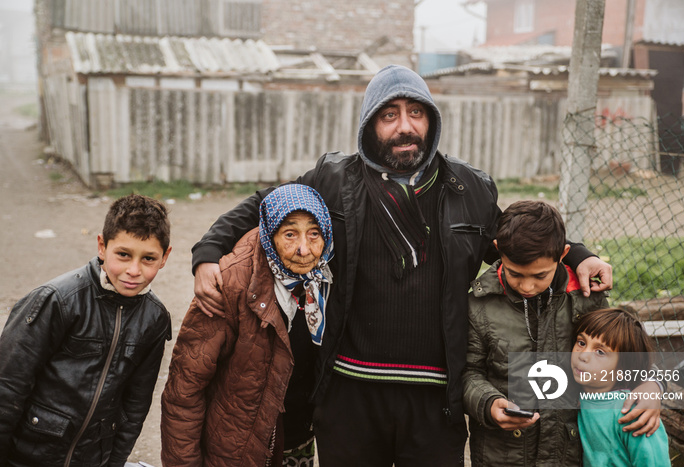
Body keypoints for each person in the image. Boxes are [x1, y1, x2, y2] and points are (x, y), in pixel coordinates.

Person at [189, 65, 613, 465]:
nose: (405, 126)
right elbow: (265, 205)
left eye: (415, 113)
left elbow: (516, 238)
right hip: (349, 390)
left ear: (432, 121)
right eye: (389, 115)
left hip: (434, 398)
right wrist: (208, 253)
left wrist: (577, 253)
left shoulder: (470, 190)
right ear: (369, 125)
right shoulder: (332, 180)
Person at [463, 201, 662, 466]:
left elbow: (622, 352)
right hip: (501, 454)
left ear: (563, 254)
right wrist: (488, 403)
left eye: (540, 275)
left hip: (568, 453)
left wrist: (652, 385)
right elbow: (467, 372)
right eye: (515, 274)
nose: (527, 286)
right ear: (498, 249)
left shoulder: (585, 298)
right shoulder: (479, 306)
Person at [161, 184, 333, 466]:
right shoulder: (230, 285)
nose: (304, 249)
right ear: (269, 233)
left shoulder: (325, 283)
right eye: (289, 234)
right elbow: (184, 391)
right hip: (237, 451)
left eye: (314, 233)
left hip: (298, 441)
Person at [0, 194, 172, 467]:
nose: (133, 270)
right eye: (124, 255)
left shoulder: (155, 318)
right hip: (29, 454)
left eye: (148, 258)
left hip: (94, 458)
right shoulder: (58, 300)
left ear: (165, 257)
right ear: (102, 247)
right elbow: (9, 386)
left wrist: (114, 462)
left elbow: (135, 406)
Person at [572, 308, 671, 467]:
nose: (583, 355)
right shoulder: (577, 399)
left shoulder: (634, 411)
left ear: (622, 370)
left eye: (600, 352)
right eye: (581, 343)